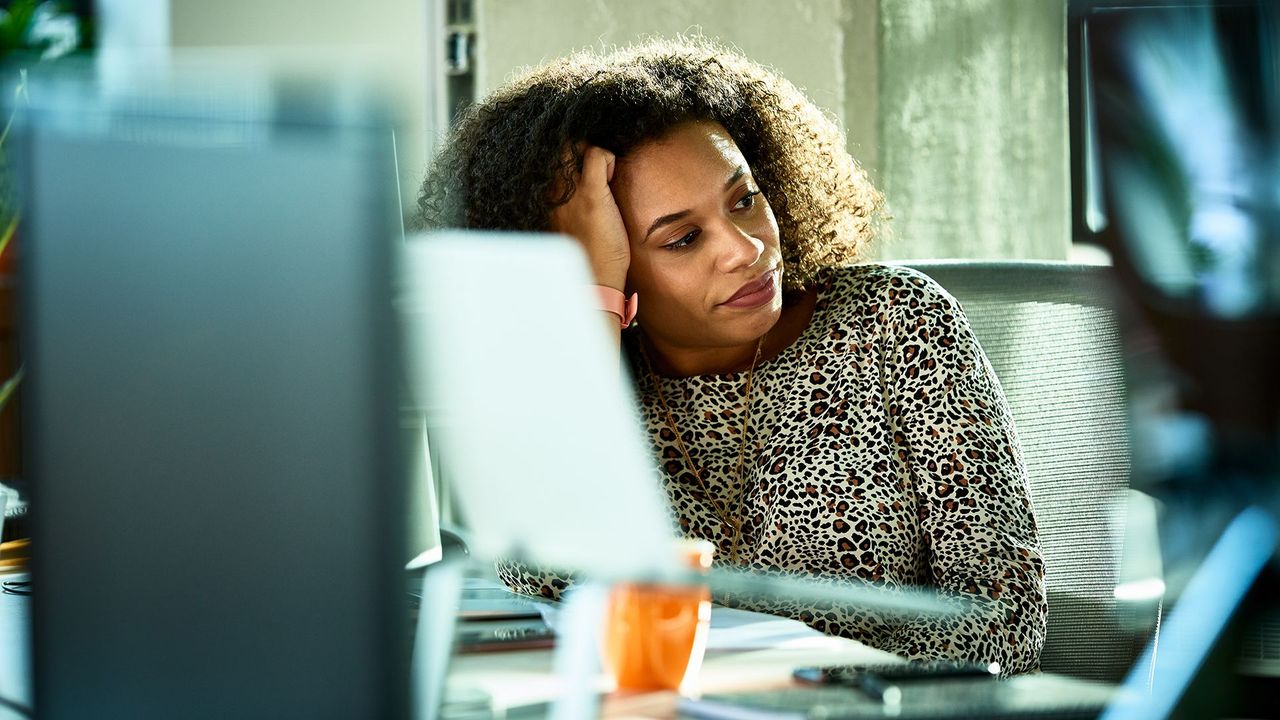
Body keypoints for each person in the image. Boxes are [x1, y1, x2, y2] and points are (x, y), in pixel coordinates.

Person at [416, 38, 1047, 674]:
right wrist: (592, 305)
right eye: (683, 238)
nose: (745, 248)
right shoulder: (591, 385)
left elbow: (1004, 610)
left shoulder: (893, 322)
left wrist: (833, 696)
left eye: (744, 199)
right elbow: (544, 575)